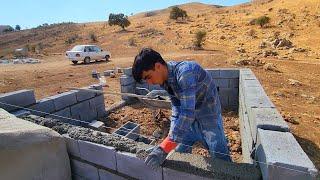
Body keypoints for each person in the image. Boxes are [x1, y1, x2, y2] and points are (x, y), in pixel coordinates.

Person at [132, 48, 231, 169]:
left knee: (220, 157)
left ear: (158, 66)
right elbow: (177, 108)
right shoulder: (165, 81)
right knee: (178, 153)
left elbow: (187, 114)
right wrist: (170, 137)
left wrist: (164, 147)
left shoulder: (186, 73)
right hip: (188, 118)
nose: (150, 82)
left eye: (148, 77)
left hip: (208, 116)